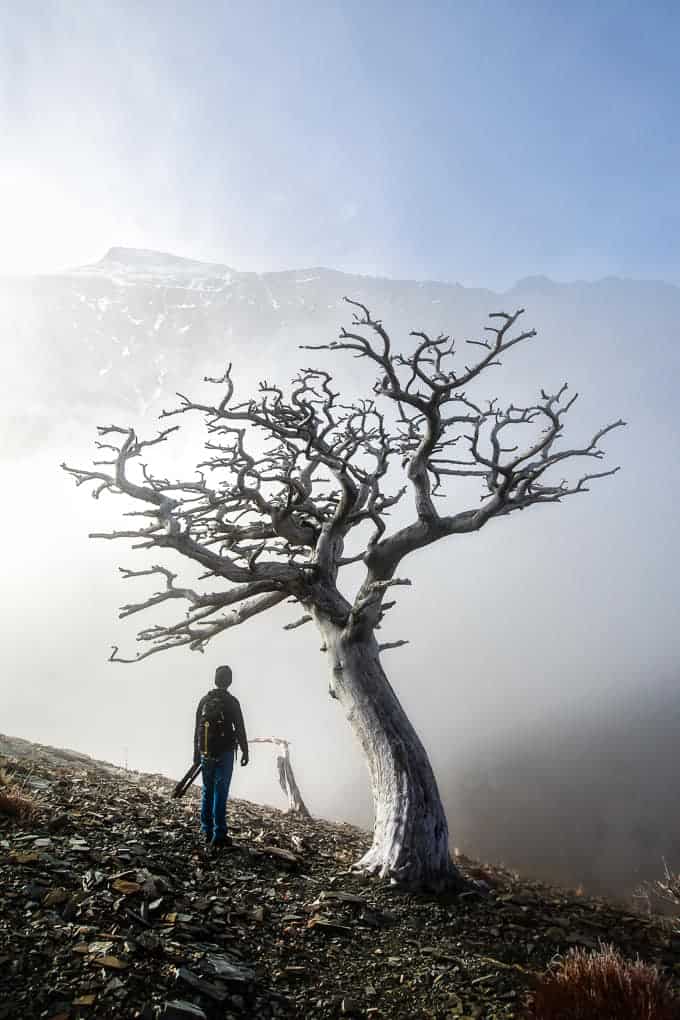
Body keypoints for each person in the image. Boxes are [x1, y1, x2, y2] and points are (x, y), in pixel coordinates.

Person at [193, 665, 249, 848]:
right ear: (230, 681)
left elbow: (197, 730)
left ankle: (206, 830)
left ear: (215, 680)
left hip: (206, 752)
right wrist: (245, 751)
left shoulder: (204, 700)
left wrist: (196, 754)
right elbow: (240, 729)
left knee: (207, 791)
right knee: (220, 792)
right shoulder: (231, 702)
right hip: (224, 753)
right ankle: (219, 834)